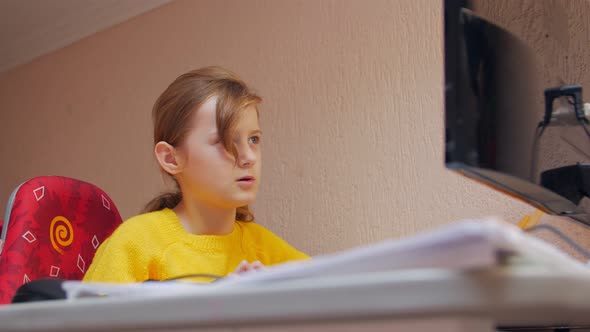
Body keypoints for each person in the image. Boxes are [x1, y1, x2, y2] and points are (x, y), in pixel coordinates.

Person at [83, 66, 308, 283]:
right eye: (224, 141)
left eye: (254, 139)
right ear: (171, 159)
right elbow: (85, 319)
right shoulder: (134, 242)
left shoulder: (267, 251)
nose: (249, 157)